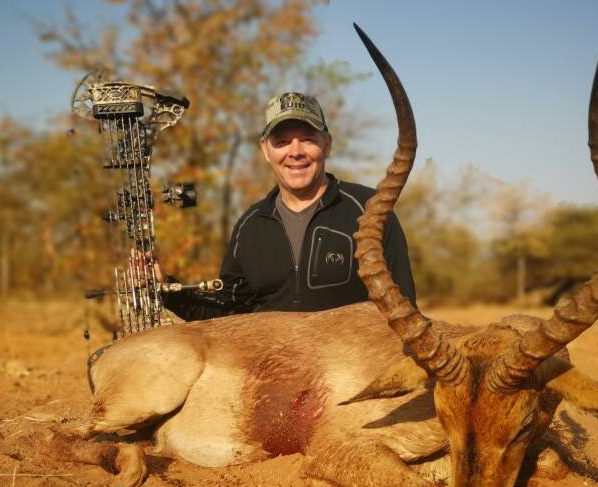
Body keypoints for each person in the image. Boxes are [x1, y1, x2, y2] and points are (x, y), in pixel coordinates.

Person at [156, 91, 416, 321]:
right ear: (265, 150)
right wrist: (167, 288)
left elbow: (404, 312)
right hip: (269, 372)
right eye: (281, 142)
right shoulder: (250, 225)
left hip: (354, 372)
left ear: (327, 145)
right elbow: (228, 319)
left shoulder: (370, 210)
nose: (295, 152)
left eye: (307, 139)